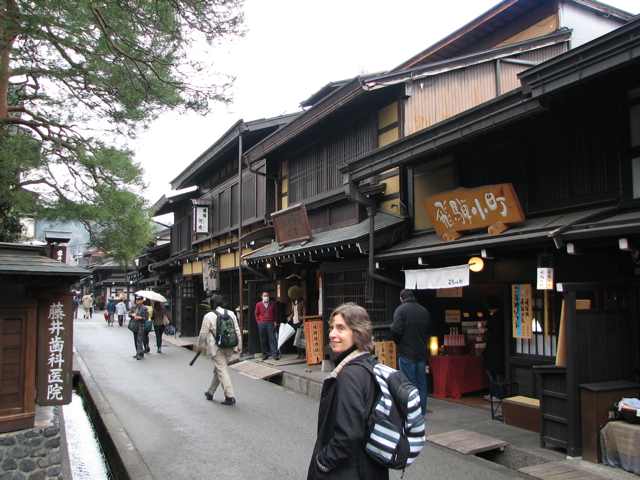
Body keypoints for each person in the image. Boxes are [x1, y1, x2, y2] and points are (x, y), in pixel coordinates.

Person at [307, 303, 388, 480]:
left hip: (349, 470)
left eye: (341, 328)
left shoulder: (349, 374)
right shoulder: (370, 365)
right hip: (371, 467)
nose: (332, 334)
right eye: (332, 328)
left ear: (358, 332)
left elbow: (349, 433)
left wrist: (324, 461)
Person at [391, 289, 432, 416]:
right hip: (421, 352)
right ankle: (422, 411)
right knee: (421, 383)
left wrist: (399, 342)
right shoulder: (423, 310)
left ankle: (411, 412)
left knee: (409, 383)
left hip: (406, 352)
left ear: (401, 299)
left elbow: (396, 330)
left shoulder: (401, 310)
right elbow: (429, 328)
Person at [198, 295, 242, 405]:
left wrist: (200, 345)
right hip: (230, 346)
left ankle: (230, 396)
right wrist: (239, 346)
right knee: (219, 369)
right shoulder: (230, 313)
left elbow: (203, 333)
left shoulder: (208, 316)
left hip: (216, 347)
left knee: (222, 369)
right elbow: (237, 330)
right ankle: (210, 392)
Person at [479, 294, 505, 401]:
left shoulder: (497, 318)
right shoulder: (495, 316)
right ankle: (493, 392)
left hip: (497, 350)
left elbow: (497, 336)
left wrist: (484, 331)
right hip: (492, 350)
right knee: (491, 371)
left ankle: (498, 394)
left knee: (498, 372)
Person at [254, 291, 279, 361]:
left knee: (273, 338)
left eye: (267, 295)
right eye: (264, 295)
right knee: (263, 339)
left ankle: (275, 354)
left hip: (271, 322)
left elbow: (275, 313)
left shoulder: (273, 304)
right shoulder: (258, 304)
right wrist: (258, 322)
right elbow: (256, 314)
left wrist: (275, 321)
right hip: (262, 322)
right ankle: (265, 354)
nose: (266, 297)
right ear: (261, 297)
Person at [287, 294, 306, 359]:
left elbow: (304, 313)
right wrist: (290, 317)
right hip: (294, 322)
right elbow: (294, 313)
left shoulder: (302, 302)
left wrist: (303, 322)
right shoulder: (293, 303)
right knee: (296, 338)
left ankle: (303, 353)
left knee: (300, 337)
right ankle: (299, 353)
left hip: (299, 322)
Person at [130, 295, 149, 360]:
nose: (137, 301)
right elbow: (129, 313)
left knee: (139, 340)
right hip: (134, 325)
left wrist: (140, 318)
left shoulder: (144, 308)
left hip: (141, 326)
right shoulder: (133, 307)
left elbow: (147, 317)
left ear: (141, 301)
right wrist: (132, 315)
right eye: (136, 300)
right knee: (136, 340)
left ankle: (140, 353)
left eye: (138, 300)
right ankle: (138, 352)